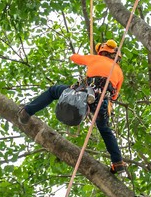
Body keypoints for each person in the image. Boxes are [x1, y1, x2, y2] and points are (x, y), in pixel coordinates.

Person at [17, 40, 127, 174]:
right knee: (105, 129)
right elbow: (114, 97)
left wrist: (88, 57)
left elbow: (74, 58)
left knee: (53, 91)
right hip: (102, 101)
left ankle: (27, 112)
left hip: (82, 95)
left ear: (102, 52)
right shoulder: (120, 72)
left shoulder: (94, 58)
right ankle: (118, 162)